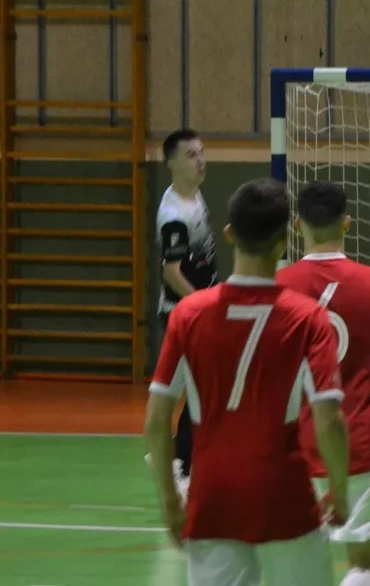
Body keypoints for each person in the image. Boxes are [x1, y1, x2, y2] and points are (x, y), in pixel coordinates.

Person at [143, 178, 350, 586]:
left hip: (213, 498)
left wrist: (169, 500)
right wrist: (340, 492)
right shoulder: (307, 318)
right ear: (285, 239)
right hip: (285, 496)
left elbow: (156, 420)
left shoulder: (189, 315)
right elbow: (329, 420)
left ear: (229, 234)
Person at [277, 181, 370, 586]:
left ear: (298, 225)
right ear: (347, 223)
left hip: (291, 450)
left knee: (297, 568)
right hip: (358, 446)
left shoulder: (278, 286)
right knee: (366, 565)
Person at [148, 129, 220, 501]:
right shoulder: (174, 215)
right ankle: (180, 465)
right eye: (191, 155)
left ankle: (174, 456)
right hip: (184, 315)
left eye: (202, 152)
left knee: (200, 391)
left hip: (197, 311)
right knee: (200, 393)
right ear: (172, 163)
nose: (200, 161)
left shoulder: (193, 195)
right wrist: (203, 305)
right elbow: (172, 274)